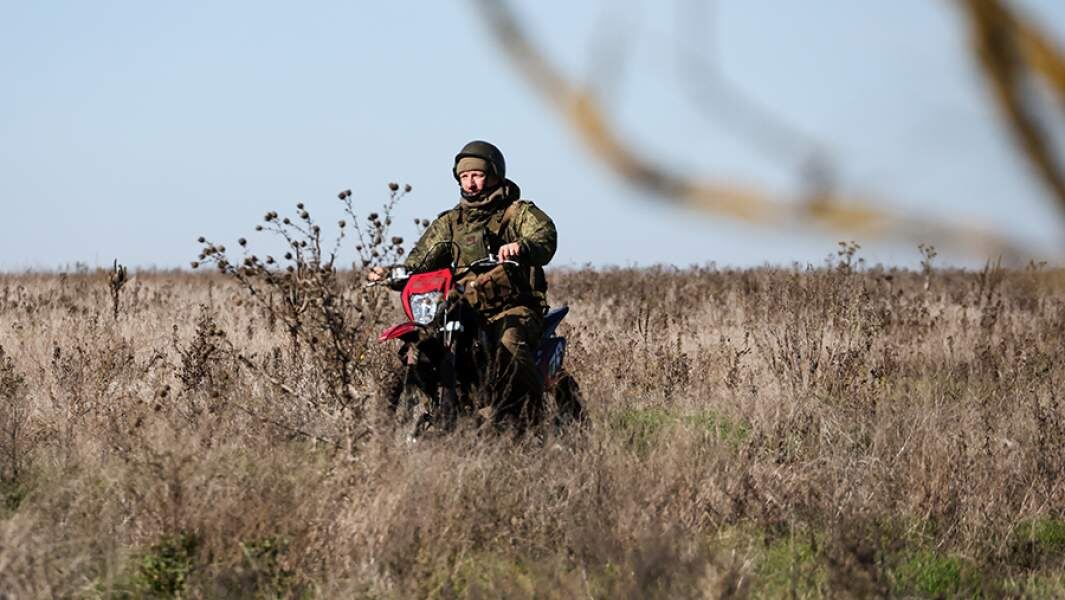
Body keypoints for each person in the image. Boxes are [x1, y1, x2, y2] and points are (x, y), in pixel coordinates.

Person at [370, 140, 558, 421]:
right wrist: (393, 273)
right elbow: (421, 260)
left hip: (512, 306)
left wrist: (522, 247)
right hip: (461, 303)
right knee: (426, 339)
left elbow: (545, 237)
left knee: (510, 342)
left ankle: (534, 418)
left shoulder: (517, 213)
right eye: (465, 176)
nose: (470, 183)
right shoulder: (450, 222)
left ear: (494, 175)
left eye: (477, 175)